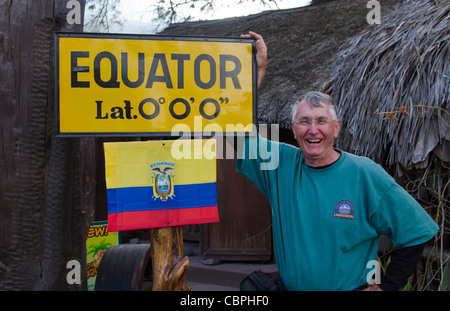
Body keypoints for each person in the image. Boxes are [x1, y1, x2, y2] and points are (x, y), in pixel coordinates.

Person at [237, 31, 439, 291]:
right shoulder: (279, 164)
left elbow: (416, 231)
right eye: (304, 122)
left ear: (336, 128)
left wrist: (389, 287)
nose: (313, 130)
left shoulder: (364, 173)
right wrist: (257, 72)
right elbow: (237, 131)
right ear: (293, 128)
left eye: (321, 121)